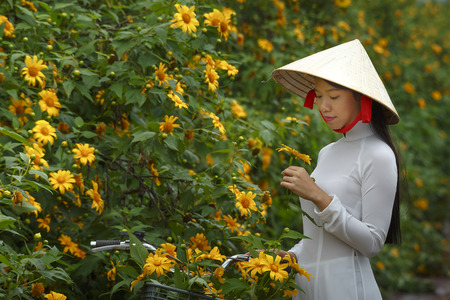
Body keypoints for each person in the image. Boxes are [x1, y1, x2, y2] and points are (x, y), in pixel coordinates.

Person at [271, 39, 402, 299]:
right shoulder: (327, 152)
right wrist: (291, 257)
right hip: (306, 287)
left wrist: (318, 196)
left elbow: (372, 243)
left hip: (347, 290)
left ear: (361, 99)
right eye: (318, 96)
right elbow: (318, 238)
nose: (323, 106)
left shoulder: (378, 155)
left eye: (333, 96)